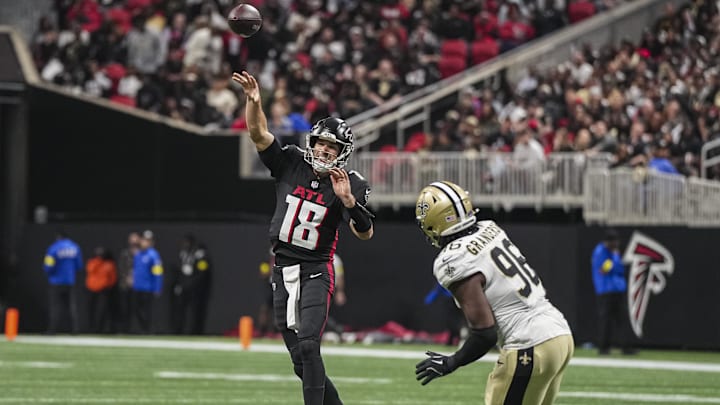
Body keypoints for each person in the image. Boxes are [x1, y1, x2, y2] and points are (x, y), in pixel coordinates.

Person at [232, 70, 374, 405]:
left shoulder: (350, 183)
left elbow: (365, 232)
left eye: (332, 147)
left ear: (343, 152)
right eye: (321, 144)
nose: (325, 151)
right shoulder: (291, 162)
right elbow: (258, 132)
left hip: (315, 270)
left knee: (310, 344)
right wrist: (255, 102)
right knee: (301, 362)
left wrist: (349, 202)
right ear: (312, 143)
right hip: (283, 269)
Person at [414, 181, 573, 404]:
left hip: (528, 344)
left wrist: (451, 362)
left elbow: (484, 333)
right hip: (560, 334)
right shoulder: (489, 227)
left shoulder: (453, 260)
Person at [591, 229, 636, 355]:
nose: (616, 245)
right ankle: (603, 348)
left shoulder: (612, 253)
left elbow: (620, 269)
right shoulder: (600, 252)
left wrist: (614, 261)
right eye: (614, 242)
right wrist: (614, 258)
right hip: (605, 291)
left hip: (617, 290)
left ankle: (626, 347)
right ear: (608, 242)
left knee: (622, 319)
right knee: (606, 320)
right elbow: (605, 269)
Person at [43, 231, 83, 334]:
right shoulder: (75, 247)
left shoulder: (54, 248)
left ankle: (53, 330)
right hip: (70, 281)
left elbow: (48, 265)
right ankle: (74, 330)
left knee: (55, 306)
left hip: (56, 281)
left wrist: (50, 273)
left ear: (58, 238)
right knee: (71, 306)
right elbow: (79, 265)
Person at [171, 234, 211, 335]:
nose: (185, 245)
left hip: (195, 289)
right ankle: (178, 331)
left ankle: (195, 332)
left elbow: (202, 272)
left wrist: (192, 284)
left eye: (188, 242)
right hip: (183, 287)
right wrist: (179, 284)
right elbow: (176, 270)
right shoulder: (182, 254)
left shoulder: (199, 255)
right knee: (179, 311)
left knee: (195, 312)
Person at [131, 230, 163, 334]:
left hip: (148, 287)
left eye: (147, 240)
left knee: (147, 310)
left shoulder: (154, 255)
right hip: (137, 287)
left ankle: (147, 330)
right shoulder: (137, 254)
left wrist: (157, 287)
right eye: (144, 240)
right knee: (137, 309)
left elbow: (158, 272)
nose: (145, 242)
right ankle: (142, 329)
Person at [85, 247, 117, 333]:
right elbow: (90, 270)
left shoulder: (109, 264)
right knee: (91, 309)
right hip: (92, 289)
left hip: (104, 290)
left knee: (102, 310)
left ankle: (100, 329)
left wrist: (109, 286)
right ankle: (91, 328)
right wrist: (98, 261)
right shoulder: (92, 262)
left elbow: (112, 277)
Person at [116, 232, 140, 333]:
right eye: (131, 239)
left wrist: (136, 278)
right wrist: (127, 278)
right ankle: (124, 329)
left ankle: (137, 329)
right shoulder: (124, 253)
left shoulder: (141, 254)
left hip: (139, 286)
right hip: (125, 285)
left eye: (135, 239)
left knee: (136, 309)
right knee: (124, 308)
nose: (133, 242)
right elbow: (120, 268)